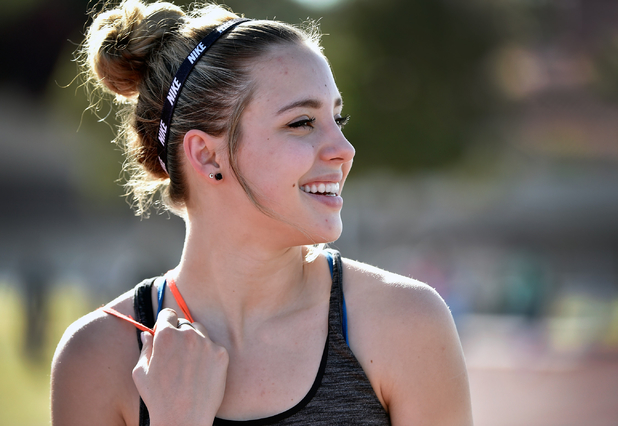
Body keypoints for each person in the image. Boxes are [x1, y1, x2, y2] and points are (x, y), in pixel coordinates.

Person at [51, 1, 473, 425]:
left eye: (337, 120)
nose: (344, 151)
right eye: (302, 122)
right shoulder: (97, 358)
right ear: (207, 155)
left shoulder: (405, 325)